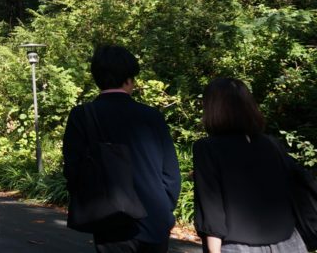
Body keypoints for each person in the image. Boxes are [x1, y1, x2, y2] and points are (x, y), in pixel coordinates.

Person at [62, 45, 180, 253]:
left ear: (97, 78)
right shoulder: (151, 116)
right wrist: (165, 207)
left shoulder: (82, 116)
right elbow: (170, 173)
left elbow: (73, 170)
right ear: (129, 79)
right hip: (155, 217)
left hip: (110, 219)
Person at [193, 77, 308, 252]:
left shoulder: (207, 148)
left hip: (239, 246)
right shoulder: (272, 144)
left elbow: (212, 209)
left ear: (212, 108)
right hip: (289, 243)